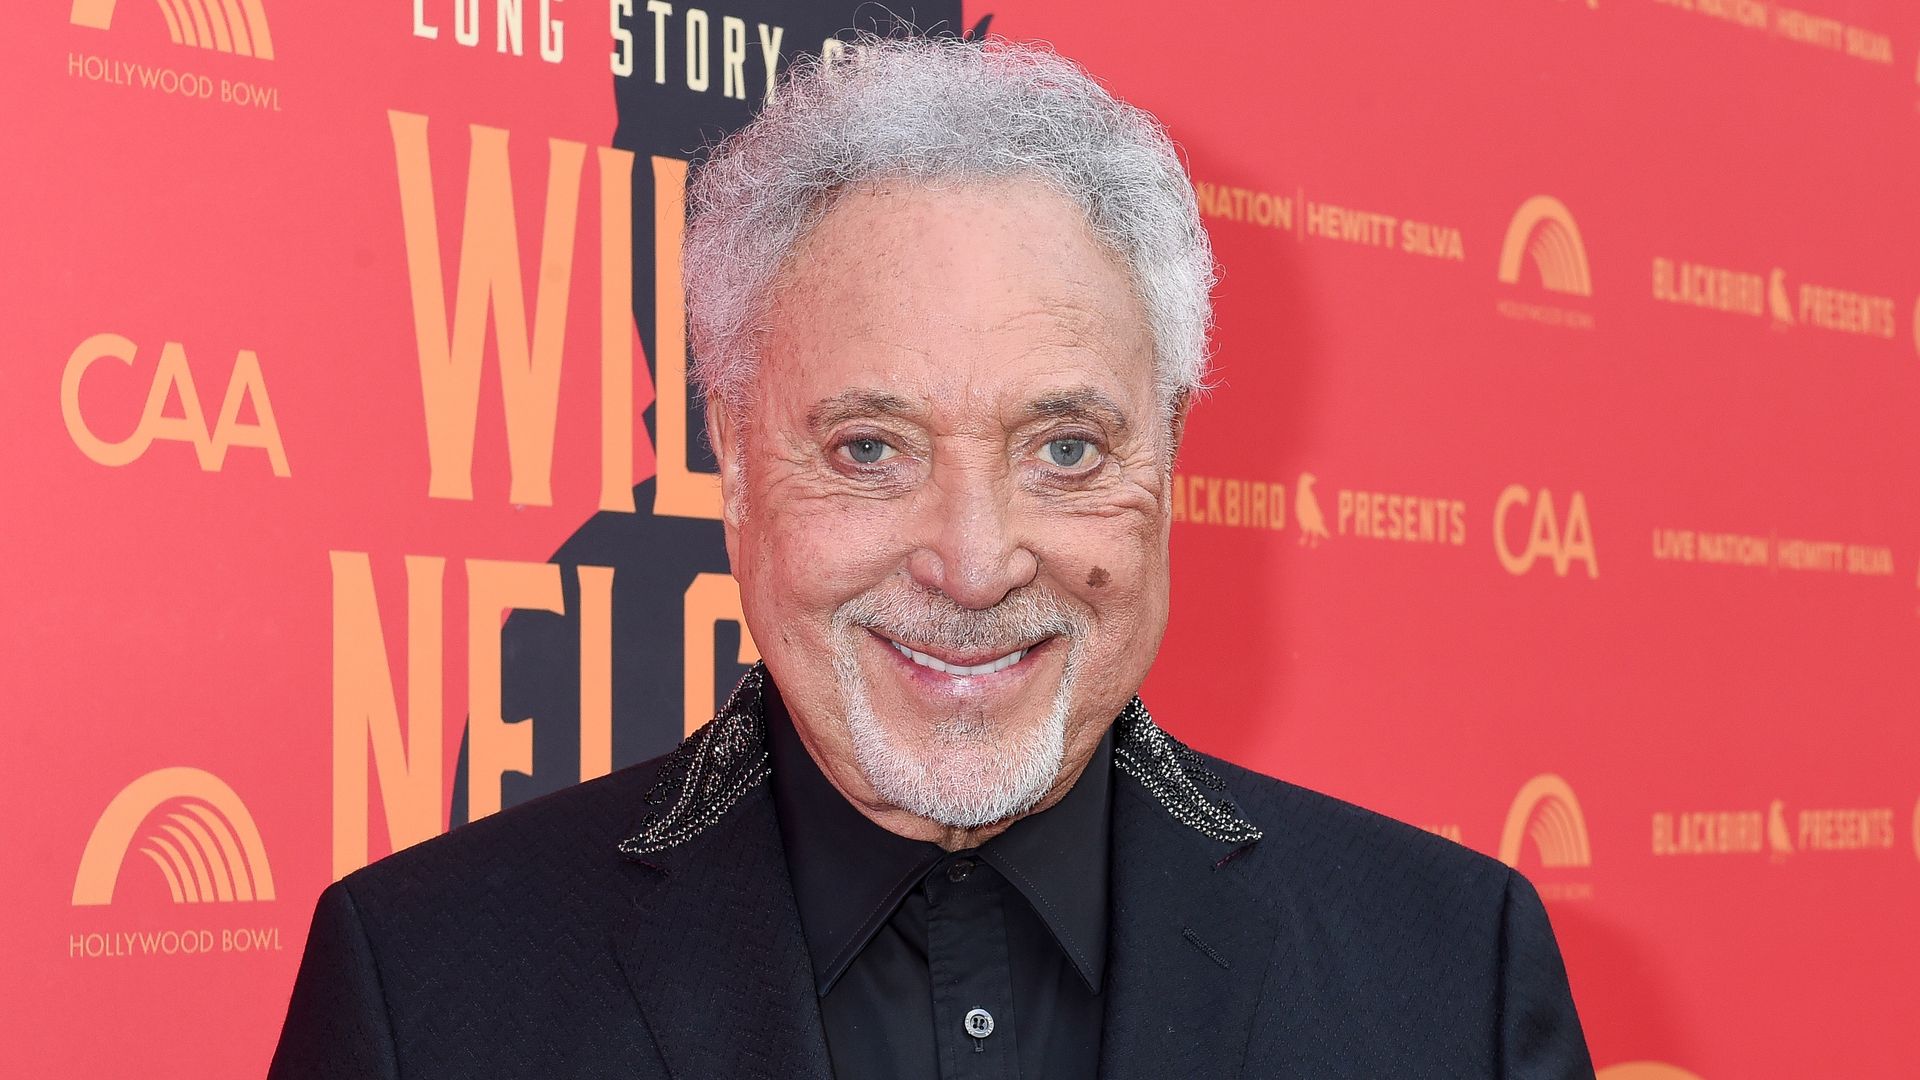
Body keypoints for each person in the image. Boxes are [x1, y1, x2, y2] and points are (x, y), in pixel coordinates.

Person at [271, 34, 1595, 1079]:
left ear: (1171, 456)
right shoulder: (428, 990)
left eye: (1066, 448)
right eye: (870, 449)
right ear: (731, 456)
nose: (973, 565)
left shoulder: (1447, 974)